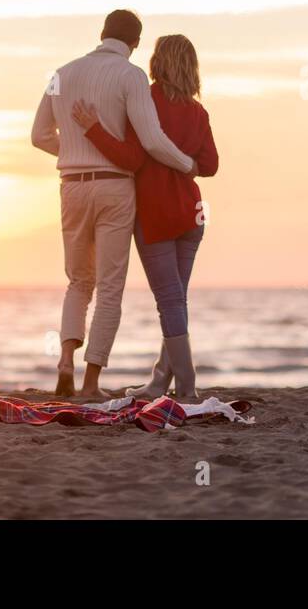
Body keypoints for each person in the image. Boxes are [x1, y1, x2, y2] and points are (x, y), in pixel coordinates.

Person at [31, 9, 199, 400]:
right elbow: (152, 141)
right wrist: (187, 164)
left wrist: (74, 149)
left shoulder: (61, 73)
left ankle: (64, 364)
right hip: (115, 188)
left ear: (101, 33)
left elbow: (40, 136)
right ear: (136, 43)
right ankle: (90, 384)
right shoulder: (131, 76)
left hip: (71, 185)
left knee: (77, 281)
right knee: (109, 287)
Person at [70, 34, 218, 402]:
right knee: (177, 300)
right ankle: (159, 380)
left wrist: (93, 130)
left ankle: (185, 385)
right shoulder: (199, 112)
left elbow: (132, 157)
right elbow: (211, 165)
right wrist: (187, 165)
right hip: (191, 213)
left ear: (157, 63)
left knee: (169, 302)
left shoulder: (146, 99)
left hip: (154, 215)